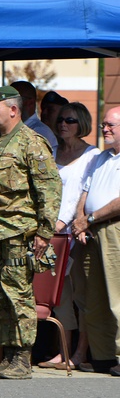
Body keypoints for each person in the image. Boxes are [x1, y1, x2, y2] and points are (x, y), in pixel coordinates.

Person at [0, 86, 61, 380]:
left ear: (13, 110)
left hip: (18, 234)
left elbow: (49, 190)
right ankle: (8, 354)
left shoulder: (31, 143)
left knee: (18, 295)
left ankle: (23, 358)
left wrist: (44, 232)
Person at [37, 102, 98, 370]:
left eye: (70, 120)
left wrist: (65, 221)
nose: (64, 124)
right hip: (50, 233)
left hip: (74, 233)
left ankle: (81, 352)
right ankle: (63, 350)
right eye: (61, 119)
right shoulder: (50, 152)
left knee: (81, 297)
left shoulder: (93, 156)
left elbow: (81, 195)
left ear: (82, 123)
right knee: (59, 295)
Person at [71, 105, 120, 376]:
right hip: (90, 232)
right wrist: (80, 220)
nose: (105, 129)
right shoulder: (100, 158)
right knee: (93, 295)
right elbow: (84, 192)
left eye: (111, 125)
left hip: (113, 229)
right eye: (103, 124)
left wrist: (90, 218)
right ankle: (103, 356)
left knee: (117, 295)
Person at [10, 80, 58, 152]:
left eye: (14, 100)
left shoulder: (39, 132)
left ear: (30, 102)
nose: (9, 104)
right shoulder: (0, 129)